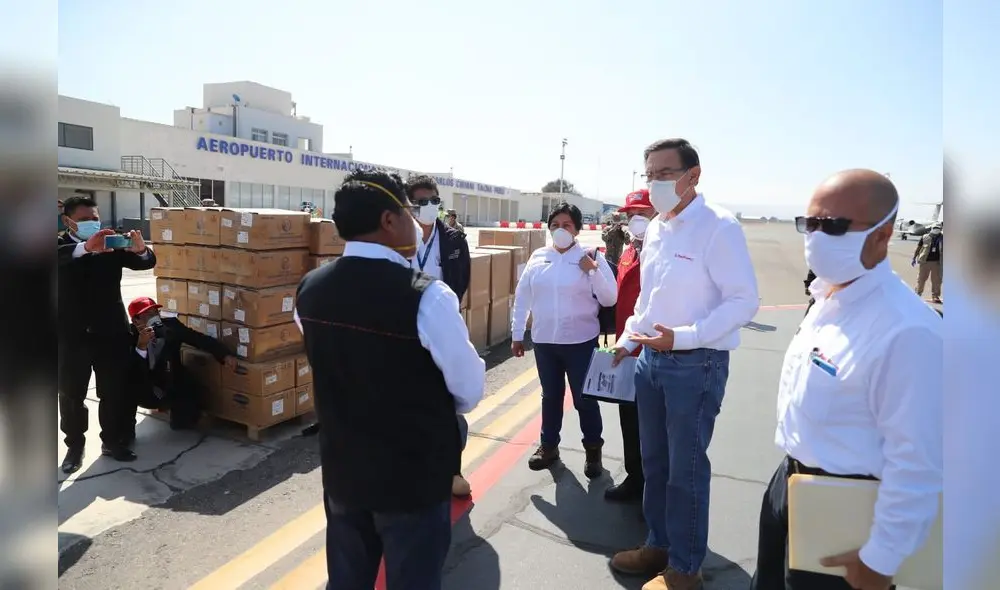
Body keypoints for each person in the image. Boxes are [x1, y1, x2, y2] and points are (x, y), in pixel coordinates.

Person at [294, 170, 485, 590]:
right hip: (411, 481)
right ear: (388, 220)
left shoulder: (309, 289)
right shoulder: (428, 297)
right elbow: (469, 391)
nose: (416, 221)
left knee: (347, 580)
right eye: (408, 210)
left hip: (344, 472)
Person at [751, 170, 942, 590]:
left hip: (849, 510)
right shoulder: (829, 298)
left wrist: (881, 558)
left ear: (882, 234)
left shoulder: (908, 331)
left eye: (833, 226)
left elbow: (918, 462)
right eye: (810, 224)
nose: (816, 236)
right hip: (791, 485)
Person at [609, 139, 760, 590]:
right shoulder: (657, 228)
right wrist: (628, 338)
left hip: (696, 364)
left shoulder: (719, 227)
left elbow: (744, 301)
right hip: (651, 360)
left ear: (693, 176)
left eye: (664, 173)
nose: (655, 182)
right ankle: (658, 543)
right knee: (654, 463)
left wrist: (686, 337)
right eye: (649, 173)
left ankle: (685, 568)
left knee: (686, 469)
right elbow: (649, 296)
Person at [510, 201, 617, 477]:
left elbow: (609, 298)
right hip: (545, 342)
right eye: (555, 225)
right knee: (551, 396)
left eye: (567, 225)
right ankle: (548, 447)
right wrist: (517, 334)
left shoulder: (591, 256)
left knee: (584, 399)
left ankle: (593, 451)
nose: (560, 230)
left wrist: (592, 270)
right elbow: (522, 298)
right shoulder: (538, 257)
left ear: (577, 230)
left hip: (581, 341)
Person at [58, 195, 157, 473]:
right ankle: (74, 446)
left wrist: (140, 250)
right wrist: (87, 248)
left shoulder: (111, 245)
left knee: (113, 391)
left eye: (95, 218)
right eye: (84, 220)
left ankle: (112, 441)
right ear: (67, 221)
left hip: (110, 333)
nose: (93, 224)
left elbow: (145, 263)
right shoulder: (60, 245)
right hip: (72, 336)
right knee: (71, 394)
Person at [406, 174, 474, 497]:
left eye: (433, 200)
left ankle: (452, 471)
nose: (428, 206)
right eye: (420, 201)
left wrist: (446, 313)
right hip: (404, 329)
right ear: (408, 205)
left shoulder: (453, 239)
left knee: (447, 402)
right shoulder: (398, 238)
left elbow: (461, 279)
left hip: (441, 324)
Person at [604, 189, 656, 503]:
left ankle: (653, 486)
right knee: (629, 420)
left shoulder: (661, 252)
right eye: (631, 214)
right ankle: (635, 478)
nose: (635, 220)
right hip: (627, 351)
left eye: (642, 213)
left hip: (653, 352)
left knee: (652, 426)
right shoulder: (629, 251)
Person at [126, 296, 237, 429]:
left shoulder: (171, 326)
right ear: (135, 320)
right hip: (144, 387)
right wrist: (141, 347)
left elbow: (198, 339)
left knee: (186, 409)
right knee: (120, 388)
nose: (154, 317)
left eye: (155, 313)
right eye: (148, 315)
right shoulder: (128, 336)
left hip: (169, 379)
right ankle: (126, 430)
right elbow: (132, 371)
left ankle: (180, 413)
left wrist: (224, 354)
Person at [912, 222, 943, 303]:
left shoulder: (943, 238)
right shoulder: (924, 237)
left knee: (937, 280)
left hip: (937, 263)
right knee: (921, 279)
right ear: (931, 228)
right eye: (935, 228)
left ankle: (935, 296)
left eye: (938, 228)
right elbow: (918, 248)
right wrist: (914, 257)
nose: (937, 230)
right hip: (925, 262)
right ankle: (918, 293)